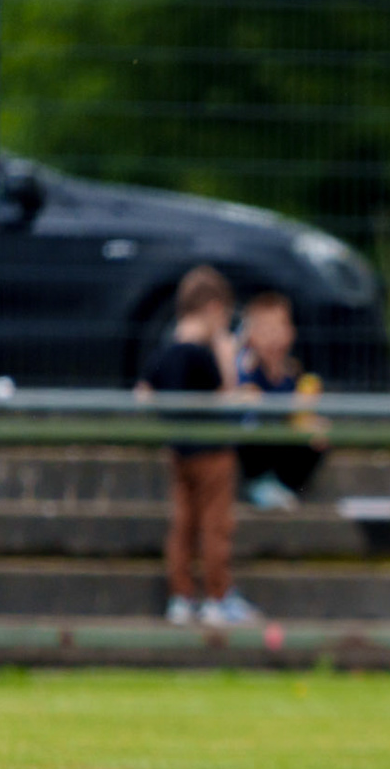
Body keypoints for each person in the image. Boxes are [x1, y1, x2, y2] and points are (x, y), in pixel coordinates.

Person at [138, 265, 260, 626]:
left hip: (179, 453)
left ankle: (181, 597)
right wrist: (226, 348)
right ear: (212, 309)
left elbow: (143, 395)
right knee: (215, 526)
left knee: (183, 526)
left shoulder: (162, 355)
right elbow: (226, 389)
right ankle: (218, 597)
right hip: (213, 454)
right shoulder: (204, 353)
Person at [233, 291, 327, 511]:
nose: (273, 337)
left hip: (281, 441)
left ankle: (284, 486)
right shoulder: (247, 368)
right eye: (265, 330)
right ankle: (260, 485)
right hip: (254, 445)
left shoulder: (292, 373)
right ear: (251, 336)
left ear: (290, 333)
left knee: (318, 434)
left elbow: (299, 415)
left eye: (279, 328)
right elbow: (250, 401)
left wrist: (308, 417)